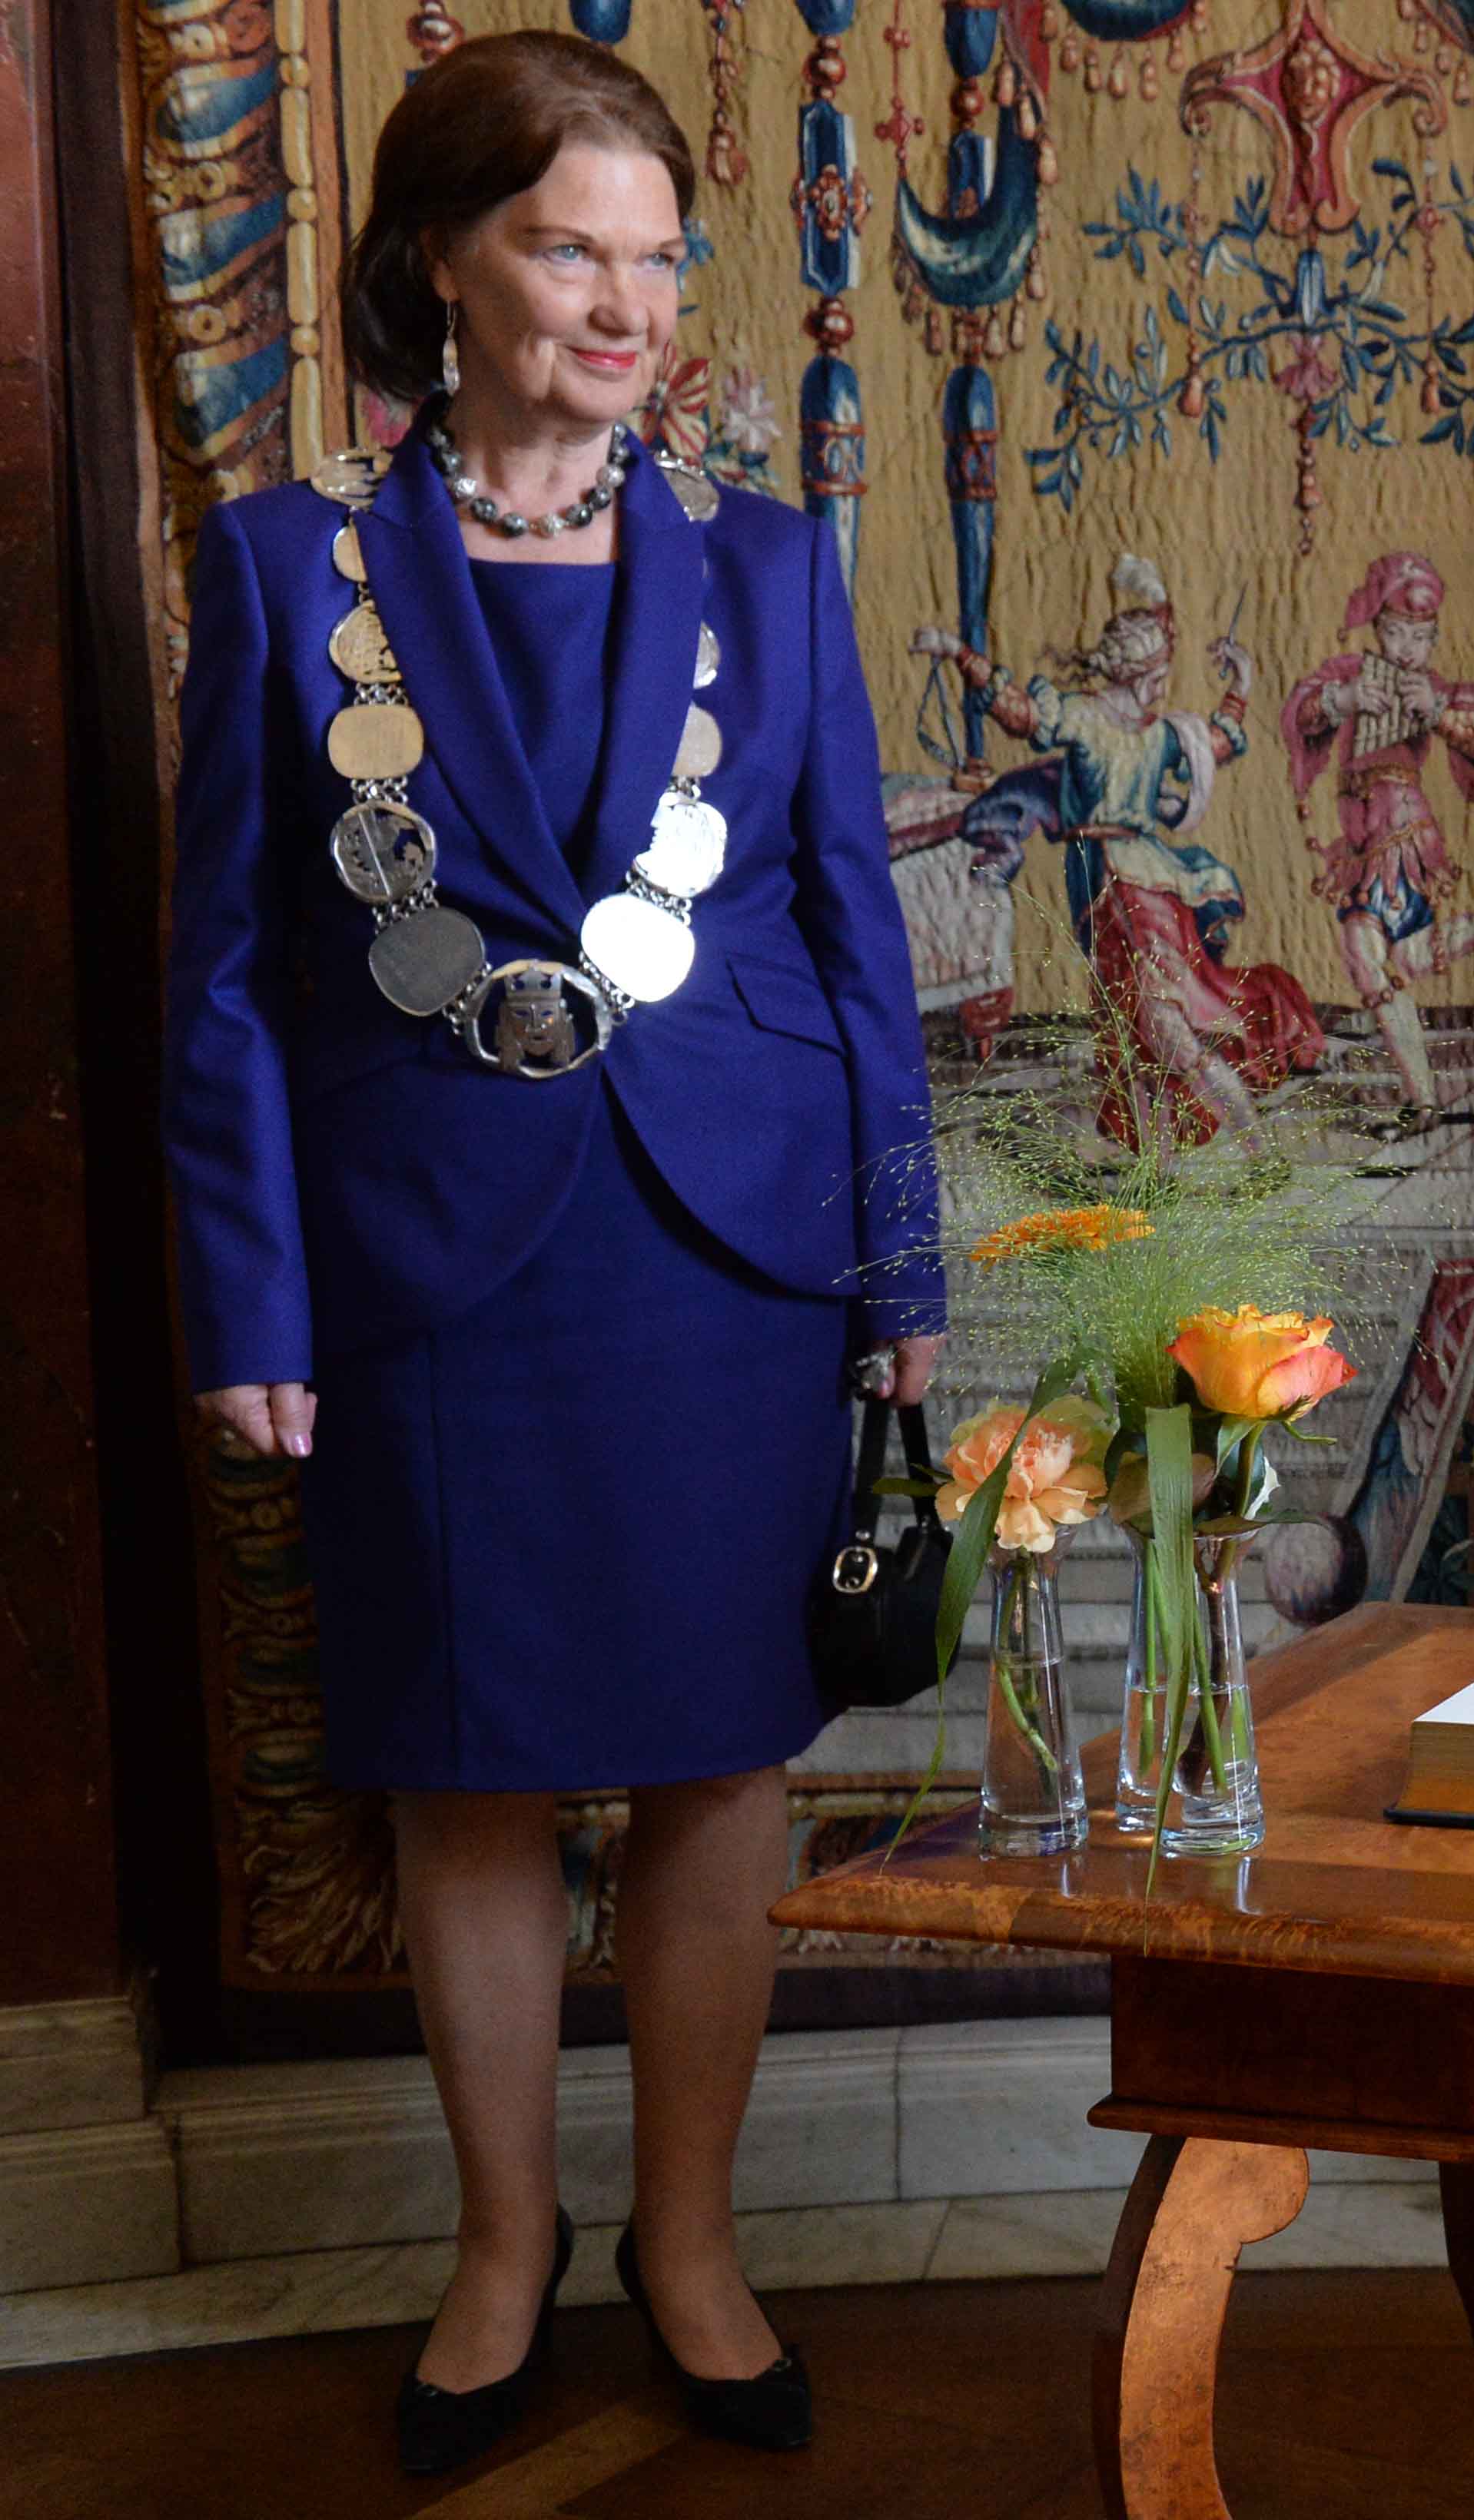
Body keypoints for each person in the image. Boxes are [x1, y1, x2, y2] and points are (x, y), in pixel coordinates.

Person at [160, 32, 940, 2475]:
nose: (626, 305)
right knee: (466, 1776)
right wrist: (249, 1296)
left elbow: (847, 933)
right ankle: (500, 2254)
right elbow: (219, 975)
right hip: (427, 1259)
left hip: (725, 1245)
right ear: (440, 264)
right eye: (566, 248)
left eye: (656, 257)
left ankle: (687, 2248)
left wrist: (895, 1264)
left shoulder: (769, 569)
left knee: (719, 1770)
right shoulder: (289, 567)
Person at [913, 553, 1326, 1148]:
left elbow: (1215, 744)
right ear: (1143, 675)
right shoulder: (1091, 719)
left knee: (1165, 1033)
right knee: (1132, 1030)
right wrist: (960, 655)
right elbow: (1020, 714)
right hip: (1113, 889)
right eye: (1161, 673)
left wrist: (1242, 687)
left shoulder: (1157, 733)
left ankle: (1257, 1151)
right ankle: (1156, 1169)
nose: (1165, 683)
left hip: (1136, 893)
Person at [1280, 549, 1474, 1126]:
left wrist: (1440, 713)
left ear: (1433, 640)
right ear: (1378, 629)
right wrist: (1339, 702)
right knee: (1388, 961)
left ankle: (1422, 1098)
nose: (1404, 649)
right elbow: (1300, 714)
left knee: (1376, 962)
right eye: (1395, 634)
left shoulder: (1431, 691)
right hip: (1359, 840)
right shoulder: (1354, 676)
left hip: (1399, 836)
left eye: (1419, 638)